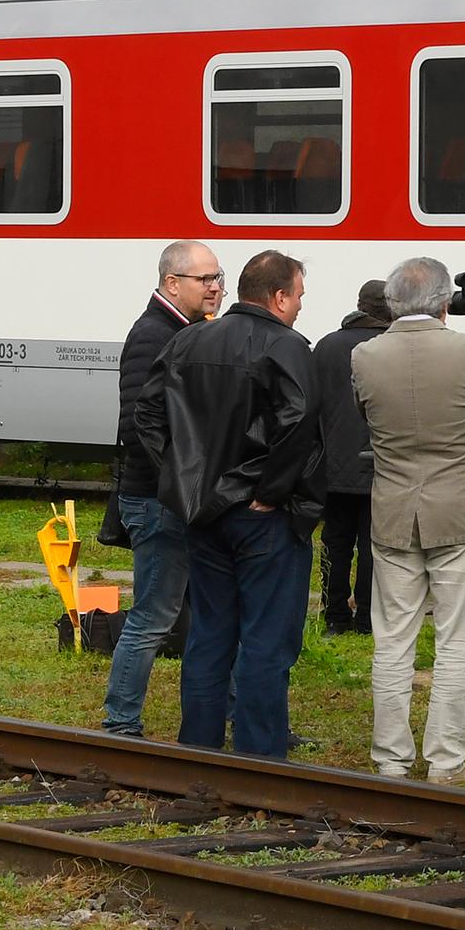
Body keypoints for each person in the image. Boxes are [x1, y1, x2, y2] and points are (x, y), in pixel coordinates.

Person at [134, 250, 321, 760]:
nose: (301, 305)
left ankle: (200, 749)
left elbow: (147, 413)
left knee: (210, 633)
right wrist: (271, 492)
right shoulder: (287, 347)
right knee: (266, 640)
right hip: (263, 516)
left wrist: (182, 479)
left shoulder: (188, 340)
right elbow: (301, 425)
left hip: (204, 513)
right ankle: (259, 757)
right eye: (298, 296)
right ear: (279, 297)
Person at [354, 256, 465, 785]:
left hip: (393, 511)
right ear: (445, 302)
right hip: (457, 512)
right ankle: (446, 760)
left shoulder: (365, 355)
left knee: (392, 641)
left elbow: (367, 416)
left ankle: (390, 759)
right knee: (456, 641)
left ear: (392, 302)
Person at [100, 241, 225, 737]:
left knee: (203, 613)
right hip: (158, 499)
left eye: (218, 277)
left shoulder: (183, 329)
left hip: (175, 497)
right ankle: (120, 721)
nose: (215, 287)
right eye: (205, 279)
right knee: (153, 616)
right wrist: (184, 484)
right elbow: (139, 426)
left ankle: (223, 710)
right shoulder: (154, 334)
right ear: (172, 283)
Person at [311, 279, 392, 636]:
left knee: (335, 541)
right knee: (374, 545)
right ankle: (367, 618)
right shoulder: (391, 347)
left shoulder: (327, 346)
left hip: (333, 465)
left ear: (359, 306)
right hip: (380, 463)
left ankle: (334, 616)